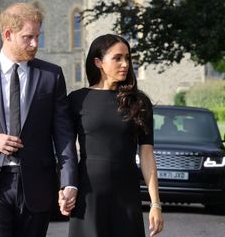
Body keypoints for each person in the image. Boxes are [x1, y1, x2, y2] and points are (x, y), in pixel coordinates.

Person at [0, 3, 79, 237]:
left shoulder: (51, 76)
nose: (35, 44)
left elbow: (63, 133)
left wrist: (68, 182)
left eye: (37, 36)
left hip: (37, 185)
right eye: (28, 37)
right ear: (7, 34)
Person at [59, 34, 164, 237]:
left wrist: (155, 203)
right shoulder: (77, 100)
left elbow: (147, 154)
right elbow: (66, 149)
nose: (125, 64)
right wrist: (63, 188)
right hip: (88, 194)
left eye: (127, 58)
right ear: (98, 62)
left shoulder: (139, 103)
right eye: (117, 58)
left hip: (126, 193)